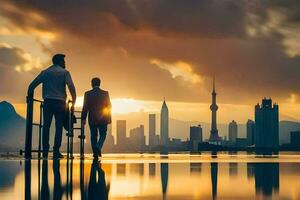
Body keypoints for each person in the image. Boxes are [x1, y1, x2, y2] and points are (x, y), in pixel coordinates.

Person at [27, 54, 76, 158]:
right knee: (59, 127)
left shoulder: (45, 72)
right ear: (60, 62)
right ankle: (56, 150)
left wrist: (29, 98)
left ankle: (45, 149)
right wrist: (73, 102)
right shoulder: (65, 73)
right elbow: (71, 86)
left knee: (46, 126)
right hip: (60, 103)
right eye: (63, 61)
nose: (65, 63)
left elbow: (32, 85)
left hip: (48, 102)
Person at [81, 77, 111, 159]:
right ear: (99, 83)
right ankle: (99, 146)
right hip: (103, 118)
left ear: (91, 84)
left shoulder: (87, 94)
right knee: (103, 134)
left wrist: (83, 118)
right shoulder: (105, 93)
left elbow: (85, 107)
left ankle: (95, 152)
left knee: (93, 135)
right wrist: (109, 118)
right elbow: (109, 106)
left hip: (92, 118)